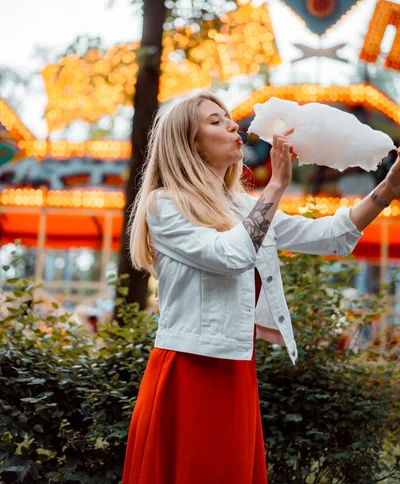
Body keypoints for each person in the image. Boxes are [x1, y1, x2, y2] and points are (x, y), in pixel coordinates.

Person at [122, 90, 400, 484]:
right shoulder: (165, 205)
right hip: (189, 370)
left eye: (228, 117)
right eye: (214, 121)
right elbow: (230, 256)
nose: (233, 125)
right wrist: (276, 185)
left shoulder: (240, 206)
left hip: (236, 367)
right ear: (189, 144)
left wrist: (385, 191)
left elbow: (330, 236)